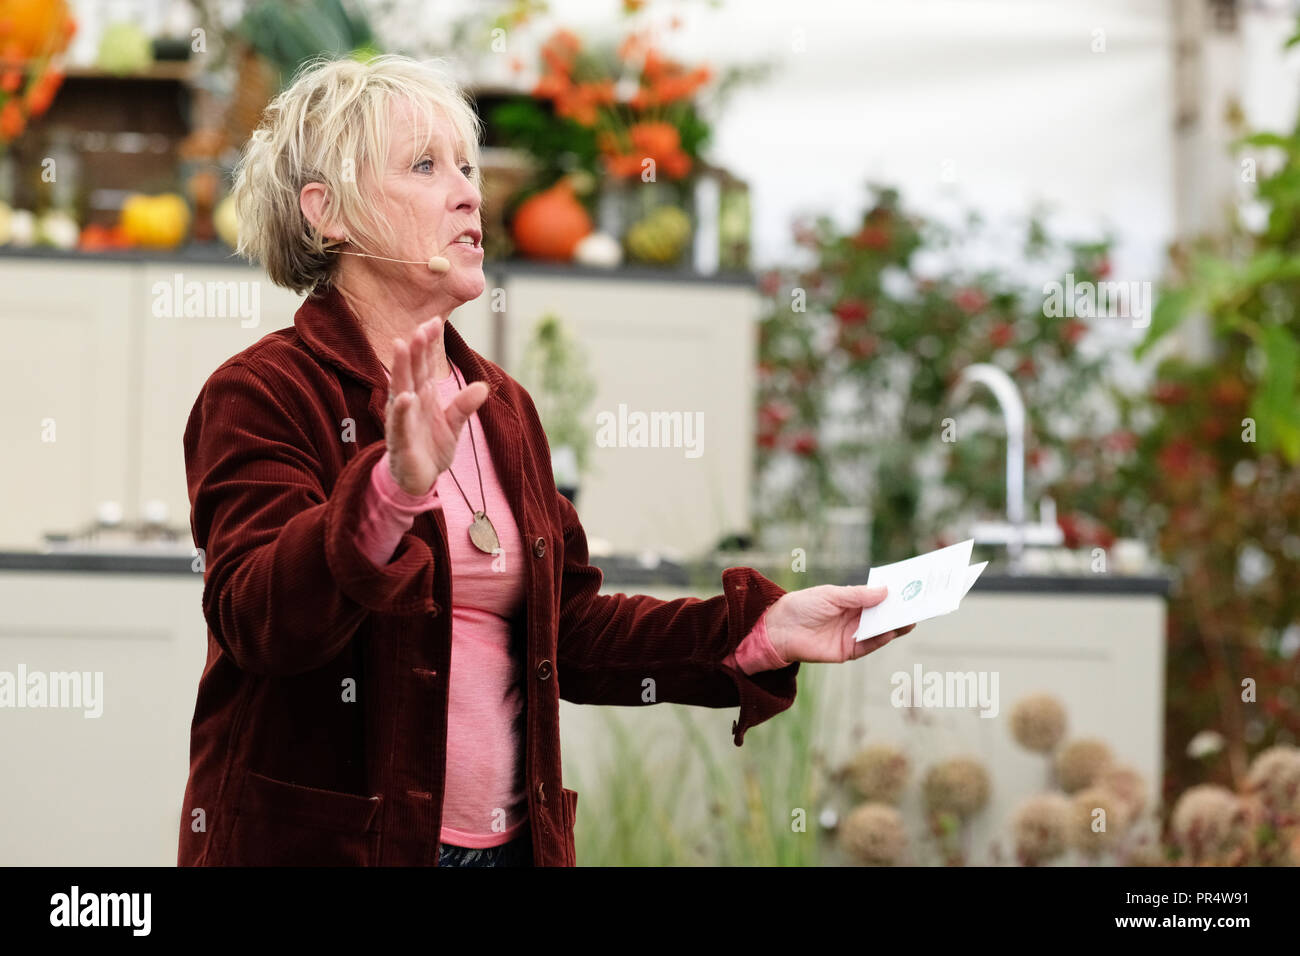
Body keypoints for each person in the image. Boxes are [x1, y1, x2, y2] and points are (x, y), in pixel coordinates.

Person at [176, 54, 912, 867]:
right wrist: (388, 491)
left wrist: (759, 632)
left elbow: (572, 628)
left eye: (466, 165)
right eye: (425, 166)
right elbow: (260, 620)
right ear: (327, 215)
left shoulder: (502, 405)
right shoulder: (260, 392)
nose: (468, 192)